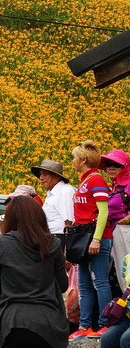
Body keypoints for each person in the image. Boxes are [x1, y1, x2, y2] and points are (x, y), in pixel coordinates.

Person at [0, 196, 68, 348]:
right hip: (49, 321)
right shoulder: (53, 244)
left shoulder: (0, 244)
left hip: (12, 321)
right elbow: (63, 285)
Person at [70, 140, 113, 339]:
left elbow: (104, 211)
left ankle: (106, 324)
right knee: (85, 284)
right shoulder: (85, 180)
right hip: (84, 238)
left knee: (101, 282)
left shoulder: (96, 180)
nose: (72, 162)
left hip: (97, 239)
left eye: (74, 158)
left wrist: (97, 239)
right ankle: (85, 325)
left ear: (83, 159)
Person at [104, 150, 130, 293]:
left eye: (116, 165)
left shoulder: (129, 185)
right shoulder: (111, 188)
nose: (111, 168)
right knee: (120, 274)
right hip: (113, 233)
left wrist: (125, 220)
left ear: (125, 167)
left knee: (127, 274)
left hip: (125, 232)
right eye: (108, 164)